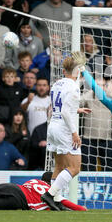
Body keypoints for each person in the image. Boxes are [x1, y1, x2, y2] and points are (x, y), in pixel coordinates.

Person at [41, 56, 92, 211]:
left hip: (52, 127)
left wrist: (77, 110)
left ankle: (56, 201)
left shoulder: (57, 83)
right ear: (77, 71)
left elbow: (57, 108)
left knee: (60, 165)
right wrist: (74, 133)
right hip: (64, 129)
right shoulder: (74, 87)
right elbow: (64, 112)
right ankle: (50, 194)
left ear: (64, 70)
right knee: (75, 167)